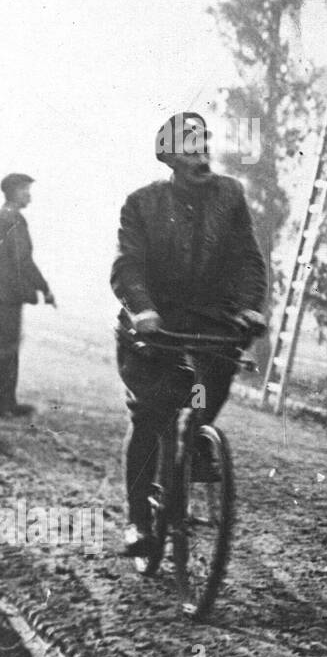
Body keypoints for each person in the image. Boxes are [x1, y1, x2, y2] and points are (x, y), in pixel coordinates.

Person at [111, 112, 268, 556]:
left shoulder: (229, 195)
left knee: (200, 399)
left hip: (210, 329)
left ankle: (195, 435)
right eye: (190, 147)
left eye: (204, 144)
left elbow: (247, 259)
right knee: (150, 415)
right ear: (170, 158)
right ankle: (139, 521)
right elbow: (128, 266)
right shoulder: (142, 204)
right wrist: (142, 310)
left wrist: (251, 308)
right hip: (153, 332)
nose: (202, 154)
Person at [0, 173, 55, 418]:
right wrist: (44, 288)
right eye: (25, 190)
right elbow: (23, 259)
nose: (28, 195)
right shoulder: (13, 219)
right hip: (7, 296)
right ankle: (5, 405)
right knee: (8, 349)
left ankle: (6, 402)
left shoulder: (3, 216)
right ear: (13, 191)